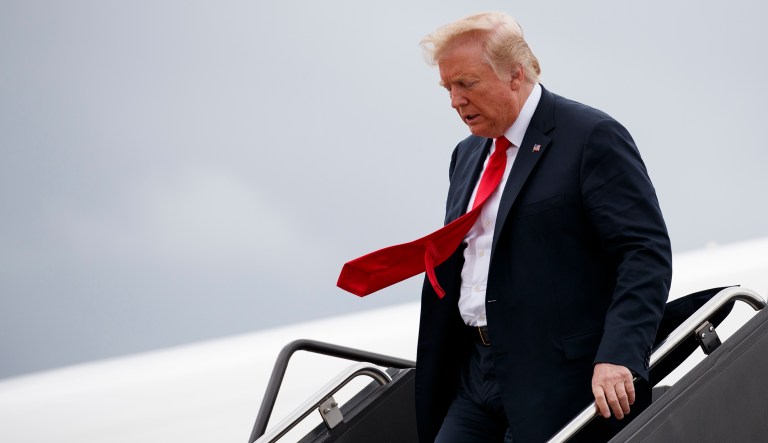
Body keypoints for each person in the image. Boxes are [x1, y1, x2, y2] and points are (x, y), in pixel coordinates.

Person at [413, 12, 672, 442]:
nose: (455, 101)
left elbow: (644, 252)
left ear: (515, 74)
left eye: (467, 84)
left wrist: (620, 354)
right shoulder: (466, 156)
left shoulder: (591, 136)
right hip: (476, 374)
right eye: (448, 88)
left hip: (558, 378)